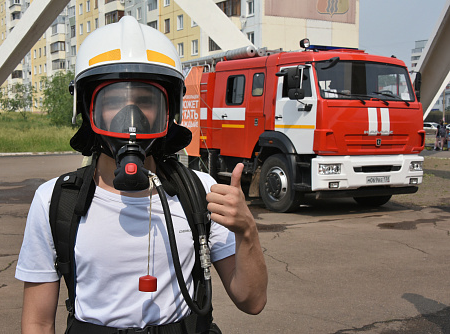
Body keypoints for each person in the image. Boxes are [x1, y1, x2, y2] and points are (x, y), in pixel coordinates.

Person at [15, 16, 267, 334]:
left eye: (146, 101)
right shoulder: (56, 201)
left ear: (168, 112)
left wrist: (247, 231)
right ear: (88, 108)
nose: (131, 116)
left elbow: (252, 301)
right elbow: (37, 322)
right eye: (115, 101)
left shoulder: (201, 191)